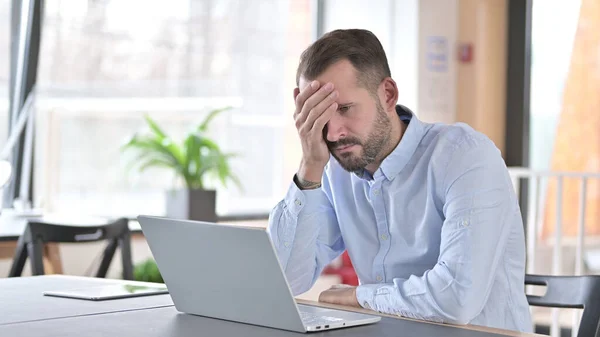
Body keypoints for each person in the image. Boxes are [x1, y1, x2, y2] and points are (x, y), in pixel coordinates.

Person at [266, 28, 532, 332]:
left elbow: (457, 298)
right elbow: (286, 278)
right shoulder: (333, 169)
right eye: (319, 116)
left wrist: (360, 297)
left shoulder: (466, 156)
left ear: (388, 95)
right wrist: (309, 166)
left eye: (344, 108)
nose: (333, 132)